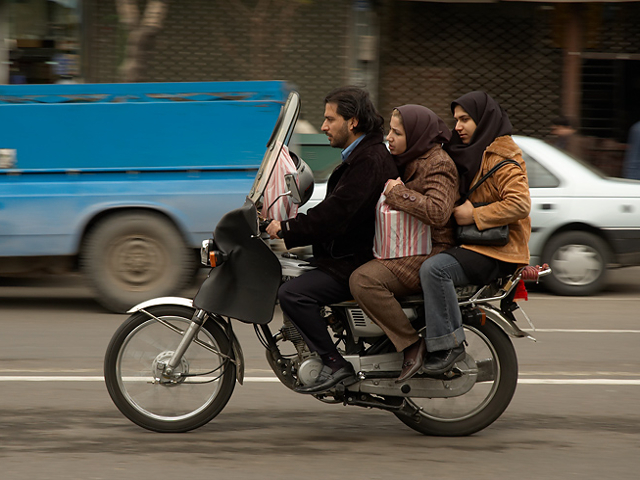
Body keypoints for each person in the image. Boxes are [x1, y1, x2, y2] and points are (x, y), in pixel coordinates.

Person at [266, 86, 398, 393]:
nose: (324, 126)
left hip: (356, 259)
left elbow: (338, 213)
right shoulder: (362, 155)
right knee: (292, 271)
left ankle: (335, 363)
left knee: (293, 294)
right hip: (345, 251)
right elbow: (336, 209)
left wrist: (287, 229)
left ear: (352, 122)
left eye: (330, 119)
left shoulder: (369, 160)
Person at [419, 91, 531, 375]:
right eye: (456, 119)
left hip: (497, 250)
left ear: (483, 119)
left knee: (435, 271)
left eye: (465, 119)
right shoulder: (471, 150)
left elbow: (519, 203)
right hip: (474, 244)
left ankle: (449, 345)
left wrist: (475, 215)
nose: (458, 126)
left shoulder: (501, 154)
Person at [349, 105, 458, 383]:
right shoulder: (408, 158)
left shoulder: (438, 162)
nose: (390, 137)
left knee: (363, 280)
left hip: (428, 250)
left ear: (418, 134)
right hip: (403, 245)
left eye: (397, 133)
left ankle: (411, 344)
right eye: (390, 131)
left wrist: (399, 194)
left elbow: (438, 211)